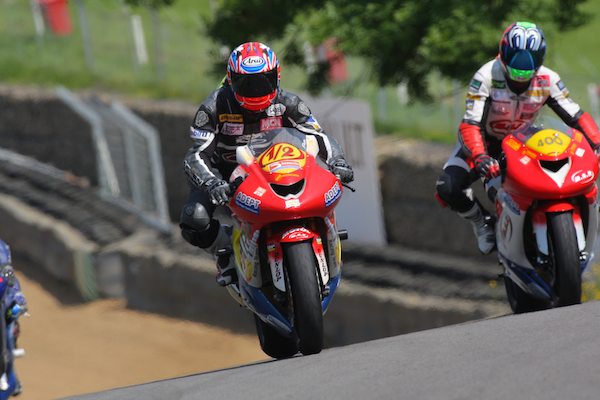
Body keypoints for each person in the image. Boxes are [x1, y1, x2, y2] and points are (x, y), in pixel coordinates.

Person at [179, 41, 354, 285]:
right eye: (246, 83)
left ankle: (324, 238)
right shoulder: (213, 108)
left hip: (276, 167)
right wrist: (212, 183)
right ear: (231, 80)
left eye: (263, 82)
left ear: (277, 77)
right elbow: (196, 154)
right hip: (224, 175)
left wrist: (338, 161)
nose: (255, 91)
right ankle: (226, 252)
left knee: (318, 187)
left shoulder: (289, 102)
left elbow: (317, 135)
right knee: (194, 218)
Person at [435, 21, 600, 254]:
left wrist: (597, 142)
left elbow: (576, 115)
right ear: (503, 55)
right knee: (448, 186)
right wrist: (481, 157)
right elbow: (470, 124)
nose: (520, 76)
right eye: (515, 69)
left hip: (525, 144)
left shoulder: (549, 79)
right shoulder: (486, 76)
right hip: (487, 144)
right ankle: (482, 223)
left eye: (528, 70)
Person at [0, 240, 27, 396]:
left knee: (10, 327)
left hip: (7, 298)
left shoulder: (1, 247)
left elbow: (7, 277)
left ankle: (11, 376)